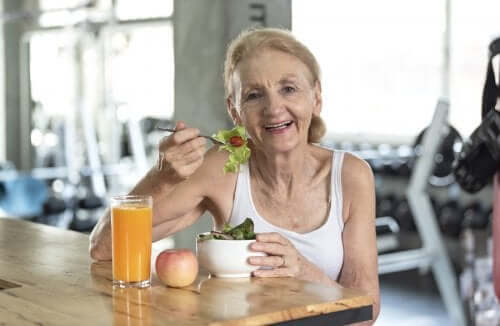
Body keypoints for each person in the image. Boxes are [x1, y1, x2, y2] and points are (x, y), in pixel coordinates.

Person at [89, 27, 380, 322]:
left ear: (316, 97)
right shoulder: (221, 170)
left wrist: (304, 271)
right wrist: (162, 177)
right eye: (254, 95)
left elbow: (366, 313)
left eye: (288, 89)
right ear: (235, 111)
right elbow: (104, 247)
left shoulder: (351, 176)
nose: (274, 108)